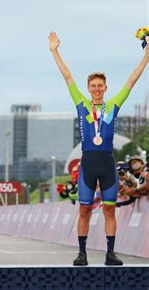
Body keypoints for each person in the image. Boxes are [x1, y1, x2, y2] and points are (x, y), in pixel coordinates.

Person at [49, 31, 149, 266]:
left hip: (106, 164)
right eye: (93, 86)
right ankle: (82, 253)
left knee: (109, 212)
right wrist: (55, 51)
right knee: (83, 211)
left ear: (105, 88)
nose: (96, 89)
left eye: (100, 86)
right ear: (88, 87)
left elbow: (131, 82)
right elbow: (67, 77)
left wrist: (146, 57)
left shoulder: (113, 105)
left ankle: (110, 254)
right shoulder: (81, 104)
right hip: (88, 164)